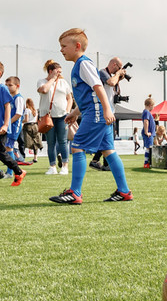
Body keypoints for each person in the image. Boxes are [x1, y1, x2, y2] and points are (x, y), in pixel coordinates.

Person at [48, 29, 133, 204]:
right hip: (96, 112)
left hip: (97, 113)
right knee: (109, 151)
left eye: (64, 46)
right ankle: (124, 191)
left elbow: (98, 88)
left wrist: (107, 109)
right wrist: (75, 112)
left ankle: (75, 193)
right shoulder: (80, 65)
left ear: (77, 46)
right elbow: (89, 96)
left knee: (77, 146)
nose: (61, 50)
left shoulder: (83, 64)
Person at [90, 58, 129, 171]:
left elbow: (112, 85)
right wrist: (118, 74)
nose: (119, 70)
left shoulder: (109, 75)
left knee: (107, 138)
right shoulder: (102, 72)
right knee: (108, 138)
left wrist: (120, 78)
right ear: (114, 65)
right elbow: (111, 82)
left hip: (110, 110)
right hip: (105, 111)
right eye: (119, 67)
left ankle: (97, 161)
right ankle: (103, 163)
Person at [37, 60, 73, 175]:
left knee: (63, 141)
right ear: (50, 71)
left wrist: (67, 111)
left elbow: (69, 98)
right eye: (57, 71)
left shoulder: (63, 82)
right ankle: (52, 166)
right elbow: (44, 90)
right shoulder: (41, 81)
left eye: (60, 72)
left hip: (62, 115)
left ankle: (65, 166)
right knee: (50, 142)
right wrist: (52, 79)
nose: (60, 74)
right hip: (47, 116)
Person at [3, 76, 23, 173]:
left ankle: (11, 172)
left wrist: (7, 123)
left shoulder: (18, 98)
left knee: (9, 147)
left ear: (17, 86)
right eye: (6, 85)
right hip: (10, 126)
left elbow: (19, 114)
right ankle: (10, 171)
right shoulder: (10, 98)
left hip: (14, 127)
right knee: (7, 147)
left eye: (10, 85)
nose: (8, 87)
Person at [21, 98, 41, 164]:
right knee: (36, 141)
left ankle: (21, 157)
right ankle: (35, 157)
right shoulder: (35, 110)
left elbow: (26, 120)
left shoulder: (27, 110)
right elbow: (36, 120)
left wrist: (21, 121)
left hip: (28, 126)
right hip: (35, 126)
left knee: (25, 142)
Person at [141, 96, 156, 168]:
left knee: (150, 148)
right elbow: (146, 121)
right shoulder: (146, 112)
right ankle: (146, 163)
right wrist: (146, 132)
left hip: (150, 133)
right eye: (153, 106)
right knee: (148, 148)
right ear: (150, 105)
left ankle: (148, 162)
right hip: (149, 134)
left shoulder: (147, 112)